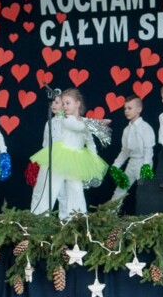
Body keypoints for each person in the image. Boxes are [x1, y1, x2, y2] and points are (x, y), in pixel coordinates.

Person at [29, 89, 109, 217]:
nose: (64, 106)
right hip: (60, 158)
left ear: (77, 104)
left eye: (67, 103)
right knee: (51, 189)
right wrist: (98, 123)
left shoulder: (84, 122)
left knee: (76, 190)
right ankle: (40, 217)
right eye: (63, 104)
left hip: (74, 162)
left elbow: (90, 142)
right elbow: (78, 127)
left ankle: (76, 219)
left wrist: (94, 159)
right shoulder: (65, 120)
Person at [109, 96, 156, 204]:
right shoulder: (126, 130)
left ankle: (148, 213)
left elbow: (148, 149)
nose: (126, 111)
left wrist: (146, 166)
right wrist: (116, 165)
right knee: (120, 190)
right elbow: (125, 151)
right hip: (132, 163)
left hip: (143, 162)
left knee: (145, 192)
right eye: (125, 108)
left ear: (139, 109)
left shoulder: (145, 127)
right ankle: (110, 212)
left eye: (129, 108)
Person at [28, 96, 69, 215]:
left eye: (57, 102)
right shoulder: (49, 123)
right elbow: (45, 143)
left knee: (62, 192)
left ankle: (65, 219)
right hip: (48, 158)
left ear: (64, 105)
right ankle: (36, 216)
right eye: (52, 103)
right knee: (40, 188)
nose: (53, 105)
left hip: (62, 159)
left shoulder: (68, 121)